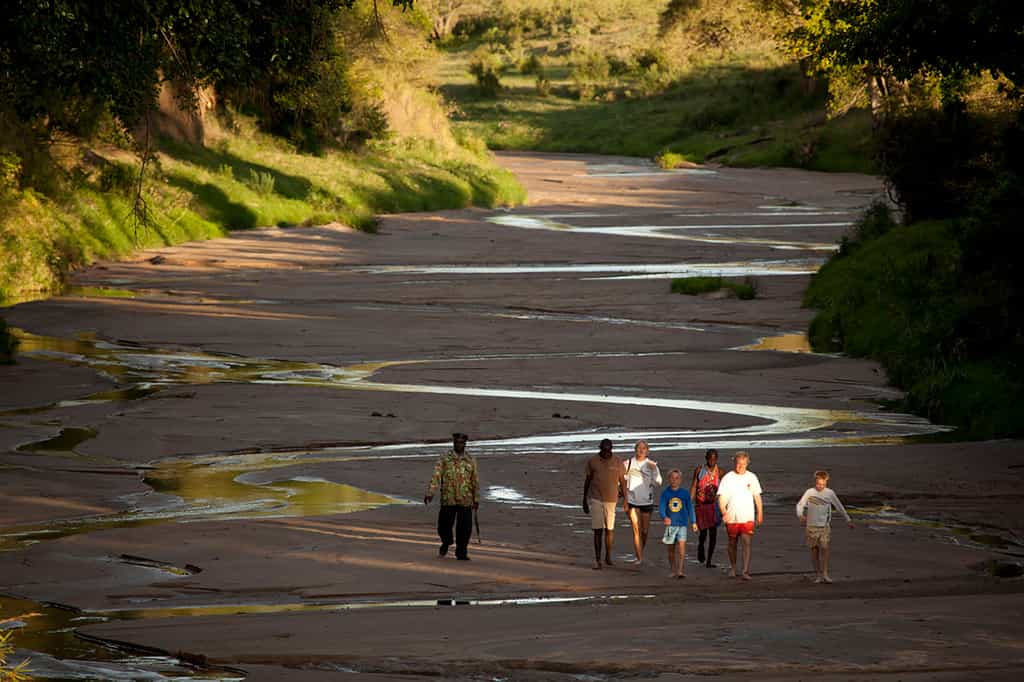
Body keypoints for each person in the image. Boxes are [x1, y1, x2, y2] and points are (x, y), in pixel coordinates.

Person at [424, 432, 479, 561]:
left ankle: (461, 552)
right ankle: (447, 541)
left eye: (461, 442)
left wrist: (476, 499)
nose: (458, 444)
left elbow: (475, 480)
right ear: (453, 443)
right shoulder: (445, 458)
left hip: (465, 499)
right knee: (443, 525)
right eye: (456, 442)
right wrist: (430, 493)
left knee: (464, 528)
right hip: (448, 498)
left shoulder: (470, 460)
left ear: (465, 444)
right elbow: (436, 476)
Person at [796, 470, 855, 584]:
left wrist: (848, 520)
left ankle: (825, 573)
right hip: (811, 526)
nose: (820, 487)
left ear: (826, 482)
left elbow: (839, 506)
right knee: (814, 549)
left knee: (825, 547)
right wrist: (800, 515)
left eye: (823, 484)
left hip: (824, 526)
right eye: (819, 484)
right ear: (815, 481)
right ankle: (818, 574)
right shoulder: (810, 492)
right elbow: (800, 505)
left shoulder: (829, 493)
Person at [717, 451, 763, 580]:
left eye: (743, 464)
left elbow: (757, 496)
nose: (740, 467)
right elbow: (722, 498)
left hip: (747, 516)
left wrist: (760, 513)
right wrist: (723, 512)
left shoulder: (752, 477)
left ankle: (745, 570)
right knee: (732, 542)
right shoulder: (728, 478)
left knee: (746, 541)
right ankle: (733, 567)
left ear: (747, 464)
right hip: (732, 516)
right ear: (734, 463)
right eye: (738, 464)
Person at [582, 438, 627, 569]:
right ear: (600, 449)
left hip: (612, 500)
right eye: (604, 450)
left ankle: (608, 555)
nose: (606, 453)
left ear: (611, 449)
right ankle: (597, 560)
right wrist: (584, 500)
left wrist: (626, 500)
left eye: (609, 450)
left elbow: (623, 483)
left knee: (609, 529)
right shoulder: (592, 461)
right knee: (597, 530)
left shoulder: (618, 462)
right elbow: (587, 480)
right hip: (595, 499)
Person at [624, 440, 662, 565]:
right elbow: (621, 481)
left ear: (647, 451)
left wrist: (654, 471)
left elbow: (658, 483)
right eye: (639, 448)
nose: (641, 450)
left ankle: (639, 551)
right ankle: (639, 558)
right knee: (636, 529)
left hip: (647, 501)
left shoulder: (651, 465)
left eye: (644, 448)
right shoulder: (628, 463)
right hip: (631, 501)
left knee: (644, 531)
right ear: (635, 449)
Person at [659, 469, 698, 578]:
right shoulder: (665, 493)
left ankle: (680, 570)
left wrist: (693, 522)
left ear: (680, 480)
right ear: (669, 479)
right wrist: (664, 517)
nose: (674, 480)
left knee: (681, 548)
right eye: (672, 478)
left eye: (677, 478)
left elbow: (690, 508)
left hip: (682, 525)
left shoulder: (685, 493)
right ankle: (673, 570)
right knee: (671, 549)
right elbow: (661, 507)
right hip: (670, 526)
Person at [690, 448, 723, 568]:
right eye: (710, 458)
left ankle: (709, 561)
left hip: (714, 506)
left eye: (714, 458)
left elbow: (725, 489)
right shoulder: (699, 470)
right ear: (706, 458)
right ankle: (700, 546)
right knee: (703, 533)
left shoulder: (720, 472)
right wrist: (689, 501)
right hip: (701, 506)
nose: (712, 461)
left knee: (713, 534)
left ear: (717, 459)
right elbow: (694, 487)